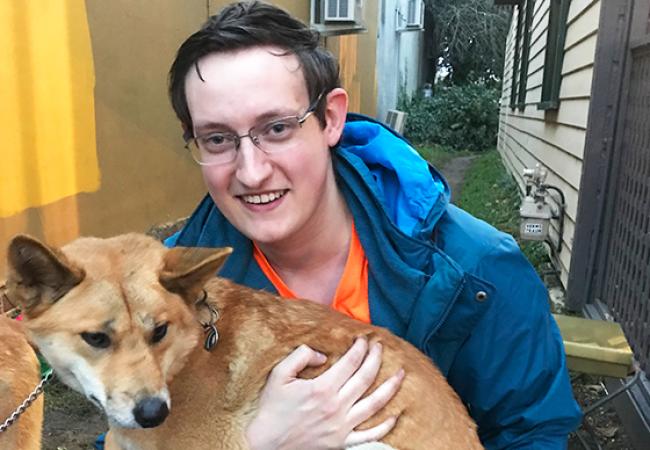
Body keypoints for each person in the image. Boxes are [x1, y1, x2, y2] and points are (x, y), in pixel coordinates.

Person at [164, 1, 582, 448]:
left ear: (332, 119)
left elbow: (534, 432)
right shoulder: (163, 287)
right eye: (217, 138)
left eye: (278, 128)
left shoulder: (477, 271)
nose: (250, 172)